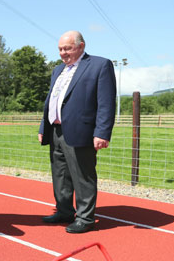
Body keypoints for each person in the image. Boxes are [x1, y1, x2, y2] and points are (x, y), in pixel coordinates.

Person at [38, 30, 116, 234]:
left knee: (83, 175)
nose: (63, 53)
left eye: (68, 48)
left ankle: (85, 218)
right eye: (60, 49)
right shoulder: (57, 70)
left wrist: (102, 132)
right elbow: (51, 101)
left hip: (82, 131)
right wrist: (43, 127)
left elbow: (106, 103)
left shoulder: (100, 65)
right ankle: (64, 211)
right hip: (56, 130)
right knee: (60, 174)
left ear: (81, 46)